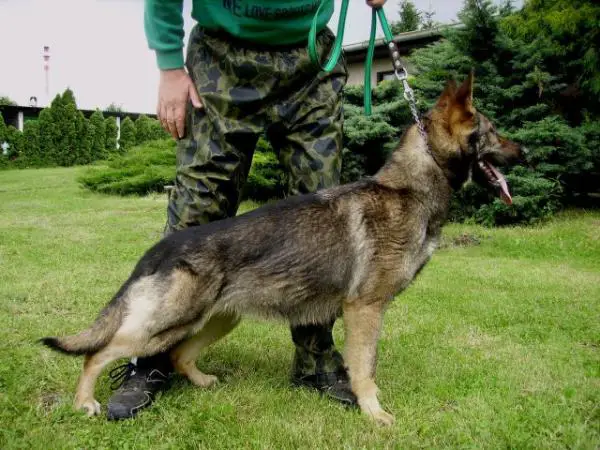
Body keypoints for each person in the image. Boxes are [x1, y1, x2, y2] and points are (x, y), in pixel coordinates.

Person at [106, 0, 387, 421]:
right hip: (220, 59)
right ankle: (152, 357)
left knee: (326, 225)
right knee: (196, 215)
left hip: (309, 61)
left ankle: (315, 360)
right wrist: (169, 67)